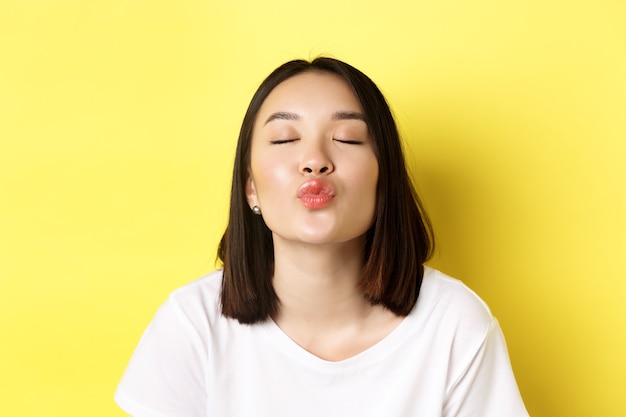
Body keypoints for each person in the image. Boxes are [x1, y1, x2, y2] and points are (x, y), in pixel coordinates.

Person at [115, 57, 530, 416]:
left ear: (384, 181)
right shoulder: (192, 324)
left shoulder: (454, 325)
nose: (314, 161)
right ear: (251, 188)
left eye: (347, 139)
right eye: (285, 139)